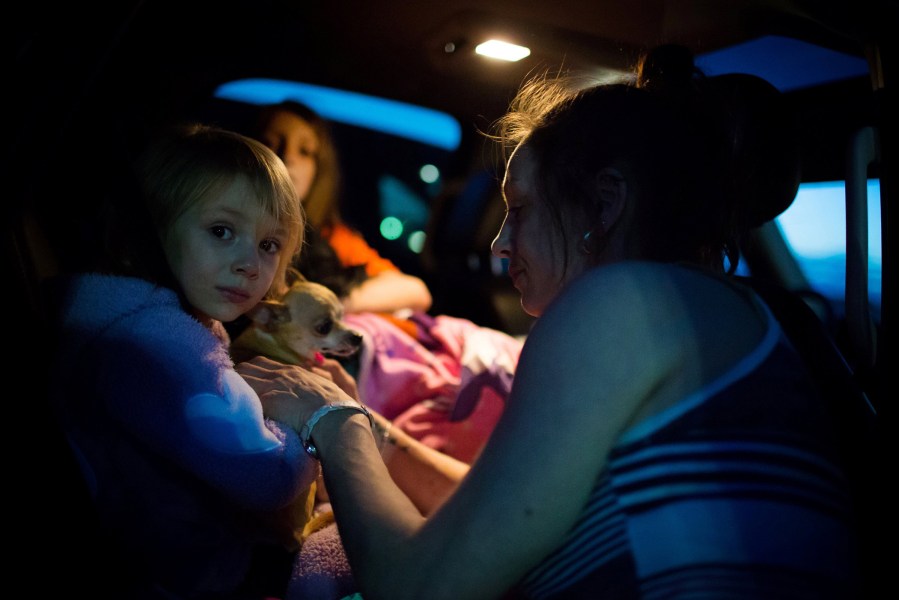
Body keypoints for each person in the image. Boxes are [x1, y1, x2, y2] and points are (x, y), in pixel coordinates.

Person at [236, 46, 862, 599]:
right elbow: (493, 516)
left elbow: (420, 583)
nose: (500, 244)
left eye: (521, 210)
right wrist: (374, 430)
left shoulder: (621, 302)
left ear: (606, 203)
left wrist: (331, 423)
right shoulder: (718, 310)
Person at [47, 123, 320, 598]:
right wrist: (310, 429)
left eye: (269, 244)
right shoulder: (155, 344)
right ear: (152, 229)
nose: (250, 264)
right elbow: (267, 477)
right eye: (221, 231)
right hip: (172, 576)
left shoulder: (137, 313)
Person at [255, 100, 432, 315]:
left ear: (318, 171)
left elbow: (415, 291)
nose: (288, 156)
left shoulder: (333, 238)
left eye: (305, 151)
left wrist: (328, 304)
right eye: (270, 143)